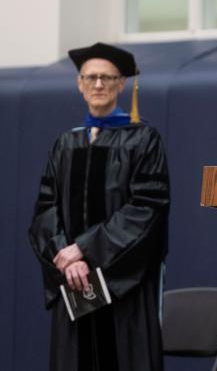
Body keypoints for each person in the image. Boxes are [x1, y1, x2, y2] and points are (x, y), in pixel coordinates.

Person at [28, 42, 170, 371]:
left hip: (123, 289)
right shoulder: (65, 144)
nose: (98, 84)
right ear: (79, 84)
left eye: (107, 77)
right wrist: (64, 256)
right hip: (75, 285)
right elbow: (45, 210)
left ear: (121, 84)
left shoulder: (143, 140)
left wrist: (86, 249)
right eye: (90, 77)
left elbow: (147, 207)